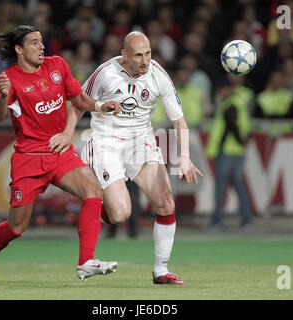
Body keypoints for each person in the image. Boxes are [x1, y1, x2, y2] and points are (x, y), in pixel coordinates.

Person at [0, 25, 122, 287]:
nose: (41, 47)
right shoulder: (9, 78)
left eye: (41, 41)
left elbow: (78, 98)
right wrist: (2, 96)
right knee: (17, 228)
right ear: (20, 50)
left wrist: (101, 106)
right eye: (34, 43)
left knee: (93, 190)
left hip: (60, 151)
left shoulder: (57, 65)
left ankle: (85, 262)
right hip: (29, 157)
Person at [60, 31, 203, 285]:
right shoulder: (105, 72)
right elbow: (79, 103)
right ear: (124, 55)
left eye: (148, 53)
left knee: (166, 203)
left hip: (142, 142)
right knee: (120, 215)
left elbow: (179, 120)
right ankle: (90, 204)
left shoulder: (158, 75)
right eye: (138, 55)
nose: (145, 60)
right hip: (106, 142)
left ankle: (161, 270)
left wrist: (185, 157)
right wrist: (67, 135)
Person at [206, 77, 252, 228]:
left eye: (223, 89)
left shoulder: (229, 106)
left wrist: (220, 147)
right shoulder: (237, 104)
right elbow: (241, 126)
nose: (221, 92)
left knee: (220, 187)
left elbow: (231, 128)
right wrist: (242, 142)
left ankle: (216, 219)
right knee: (239, 186)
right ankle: (246, 218)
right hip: (236, 151)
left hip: (227, 151)